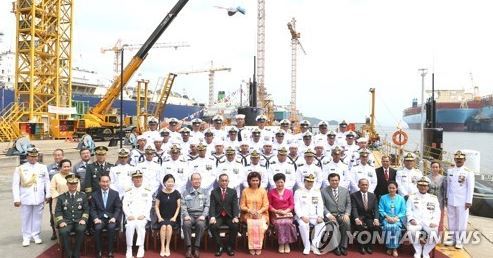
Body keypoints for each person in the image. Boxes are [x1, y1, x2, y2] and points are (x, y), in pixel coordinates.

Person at [12, 147, 51, 246]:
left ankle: (36, 235)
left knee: (37, 218)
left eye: (35, 157)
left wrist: (48, 194)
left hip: (39, 197)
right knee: (26, 218)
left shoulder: (43, 167)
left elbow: (47, 181)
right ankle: (26, 237)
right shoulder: (20, 168)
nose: (33, 159)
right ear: (27, 156)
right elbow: (15, 184)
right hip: (26, 197)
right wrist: (16, 198)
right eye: (31, 157)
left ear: (37, 157)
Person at [54, 174, 89, 258]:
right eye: (71, 184)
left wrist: (84, 219)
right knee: (63, 231)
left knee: (81, 229)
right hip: (66, 222)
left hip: (79, 220)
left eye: (75, 184)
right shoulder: (61, 197)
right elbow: (58, 211)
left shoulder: (83, 196)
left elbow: (86, 209)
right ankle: (68, 253)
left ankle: (76, 252)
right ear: (67, 184)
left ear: (77, 184)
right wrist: (61, 222)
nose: (73, 185)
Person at [446, 150, 474, 249]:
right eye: (457, 159)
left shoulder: (468, 172)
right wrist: (447, 197)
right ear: (454, 159)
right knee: (451, 219)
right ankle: (451, 238)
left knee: (461, 221)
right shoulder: (450, 171)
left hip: (463, 201)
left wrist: (469, 201)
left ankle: (460, 241)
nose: (458, 160)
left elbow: (470, 187)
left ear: (464, 160)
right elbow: (449, 186)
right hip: (451, 199)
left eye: (460, 159)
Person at [406, 177, 441, 258]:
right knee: (411, 231)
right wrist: (411, 219)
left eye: (425, 186)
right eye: (421, 185)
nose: (423, 187)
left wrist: (435, 222)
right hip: (415, 221)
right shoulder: (412, 197)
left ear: (428, 187)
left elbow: (437, 212)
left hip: (429, 222)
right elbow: (408, 210)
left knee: (435, 235)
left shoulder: (433, 198)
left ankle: (425, 252)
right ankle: (418, 251)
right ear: (417, 186)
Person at [90, 175, 122, 258]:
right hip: (99, 218)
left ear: (110, 182)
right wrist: (95, 218)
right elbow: (92, 209)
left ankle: (110, 251)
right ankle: (99, 251)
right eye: (103, 181)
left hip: (111, 218)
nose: (105, 184)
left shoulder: (115, 193)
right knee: (97, 228)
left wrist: (114, 218)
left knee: (111, 227)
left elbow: (118, 208)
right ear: (99, 183)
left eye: (107, 181)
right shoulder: (94, 194)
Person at [122, 171, 153, 258]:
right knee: (130, 226)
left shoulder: (147, 190)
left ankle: (141, 247)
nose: (138, 179)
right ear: (132, 179)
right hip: (131, 215)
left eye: (140, 177)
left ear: (142, 179)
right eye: (136, 178)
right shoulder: (128, 190)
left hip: (142, 215)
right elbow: (125, 204)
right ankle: (129, 248)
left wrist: (144, 215)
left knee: (140, 225)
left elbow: (149, 204)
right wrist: (128, 215)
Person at [209, 173, 240, 257]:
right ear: (219, 181)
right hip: (218, 216)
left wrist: (235, 216)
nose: (224, 182)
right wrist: (212, 217)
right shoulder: (214, 192)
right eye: (222, 180)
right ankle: (220, 246)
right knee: (212, 226)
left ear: (228, 182)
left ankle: (229, 246)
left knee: (235, 226)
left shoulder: (232, 192)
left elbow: (235, 205)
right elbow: (212, 205)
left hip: (229, 216)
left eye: (226, 181)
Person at [321, 173, 351, 256]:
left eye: (336, 180)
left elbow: (348, 204)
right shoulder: (323, 191)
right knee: (333, 224)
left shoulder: (345, 190)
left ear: (339, 181)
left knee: (347, 222)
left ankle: (343, 246)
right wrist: (328, 214)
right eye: (332, 180)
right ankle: (335, 246)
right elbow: (322, 205)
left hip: (342, 214)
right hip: (330, 215)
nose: (334, 182)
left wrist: (347, 214)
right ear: (329, 181)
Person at [294, 173, 325, 255]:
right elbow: (296, 206)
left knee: (322, 225)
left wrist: (320, 216)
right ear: (304, 182)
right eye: (308, 181)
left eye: (311, 182)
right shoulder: (298, 192)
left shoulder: (317, 192)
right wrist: (301, 216)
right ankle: (307, 246)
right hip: (302, 216)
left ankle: (314, 245)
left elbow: (320, 205)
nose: (310, 183)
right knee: (303, 225)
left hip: (314, 216)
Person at [240, 172, 269, 255]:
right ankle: (252, 247)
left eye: (257, 180)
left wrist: (258, 212)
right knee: (252, 224)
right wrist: (249, 210)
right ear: (249, 181)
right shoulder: (245, 191)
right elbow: (242, 206)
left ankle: (258, 246)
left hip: (261, 214)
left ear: (260, 181)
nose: (255, 182)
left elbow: (266, 205)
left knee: (260, 224)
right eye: (253, 180)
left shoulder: (263, 191)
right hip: (248, 214)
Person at [181, 173, 210, 258]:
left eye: (198, 179)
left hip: (200, 215)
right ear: (191, 181)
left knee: (201, 224)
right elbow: (183, 206)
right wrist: (186, 215)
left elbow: (207, 205)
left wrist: (204, 215)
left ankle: (196, 248)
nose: (197, 181)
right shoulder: (186, 192)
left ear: (201, 180)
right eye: (195, 179)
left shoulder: (205, 192)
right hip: (189, 215)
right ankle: (189, 248)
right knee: (186, 224)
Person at [268, 173, 297, 253]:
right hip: (275, 214)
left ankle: (287, 243)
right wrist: (276, 211)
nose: (280, 184)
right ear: (275, 183)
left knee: (287, 223)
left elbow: (292, 204)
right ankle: (281, 243)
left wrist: (286, 211)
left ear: (284, 182)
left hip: (287, 213)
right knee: (279, 223)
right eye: (278, 182)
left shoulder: (289, 192)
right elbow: (269, 205)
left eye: (281, 182)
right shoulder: (271, 192)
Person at [350, 178, 380, 254]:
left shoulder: (373, 196)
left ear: (368, 186)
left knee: (375, 227)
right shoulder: (354, 195)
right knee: (359, 227)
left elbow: (376, 209)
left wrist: (376, 219)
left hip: (369, 217)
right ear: (359, 185)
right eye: (362, 185)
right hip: (359, 217)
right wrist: (356, 219)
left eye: (366, 185)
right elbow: (354, 208)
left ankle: (369, 245)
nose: (364, 186)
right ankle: (362, 246)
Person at [155, 174, 181, 257]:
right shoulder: (160, 193)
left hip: (173, 218)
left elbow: (178, 206)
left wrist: (174, 217)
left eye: (172, 182)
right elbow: (156, 206)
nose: (170, 183)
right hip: (162, 217)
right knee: (163, 227)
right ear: (164, 183)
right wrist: (159, 217)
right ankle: (162, 246)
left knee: (169, 227)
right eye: (168, 182)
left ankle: (167, 246)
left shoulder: (176, 193)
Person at [379, 181, 406, 257]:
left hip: (397, 219)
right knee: (388, 226)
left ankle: (394, 248)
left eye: (393, 188)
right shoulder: (383, 198)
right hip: (386, 218)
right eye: (390, 188)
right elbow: (381, 209)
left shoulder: (401, 199)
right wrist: (387, 217)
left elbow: (403, 211)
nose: (391, 189)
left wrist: (396, 218)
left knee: (395, 227)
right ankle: (389, 247)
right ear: (387, 188)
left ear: (396, 188)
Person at [47, 149, 65, 240]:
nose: (57, 157)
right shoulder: (49, 168)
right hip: (53, 196)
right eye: (56, 155)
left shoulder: (67, 165)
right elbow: (46, 182)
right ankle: (54, 232)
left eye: (59, 155)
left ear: (63, 156)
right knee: (53, 214)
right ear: (53, 156)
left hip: (65, 194)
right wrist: (47, 195)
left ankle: (64, 231)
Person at [427, 160, 447, 231]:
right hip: (428, 203)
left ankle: (439, 239)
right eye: (433, 167)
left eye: (436, 167)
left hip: (440, 202)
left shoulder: (443, 178)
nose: (435, 169)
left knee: (440, 222)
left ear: (439, 168)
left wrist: (445, 204)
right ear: (430, 168)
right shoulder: (426, 177)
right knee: (428, 221)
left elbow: (445, 191)